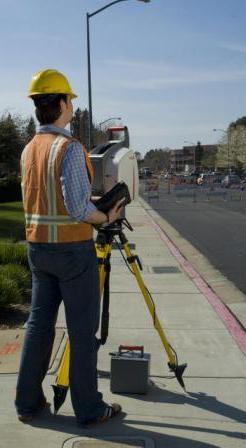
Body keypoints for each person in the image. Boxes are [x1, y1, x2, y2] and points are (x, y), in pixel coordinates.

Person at [15, 69, 122, 426]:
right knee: (81, 330)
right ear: (60, 103)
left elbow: (50, 199)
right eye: (70, 99)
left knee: (38, 326)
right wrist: (106, 216)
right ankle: (89, 410)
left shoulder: (30, 149)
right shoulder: (69, 147)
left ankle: (27, 404)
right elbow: (77, 209)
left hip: (38, 249)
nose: (73, 105)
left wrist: (88, 202)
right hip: (73, 253)